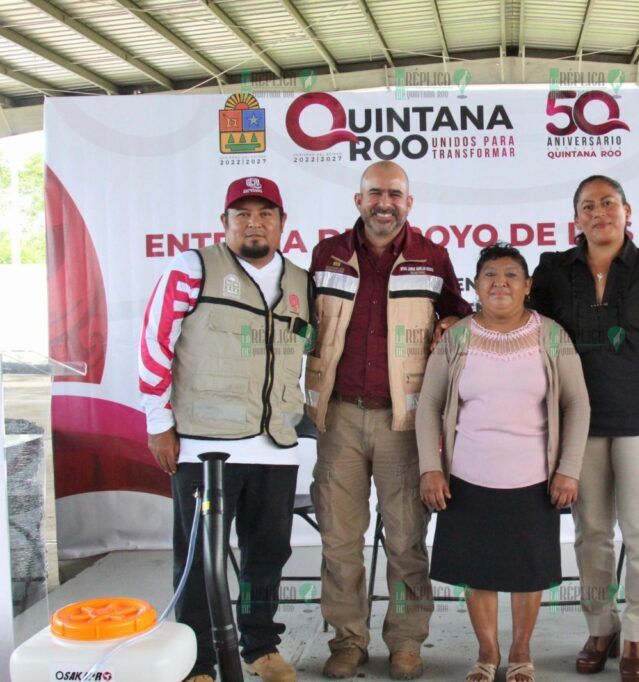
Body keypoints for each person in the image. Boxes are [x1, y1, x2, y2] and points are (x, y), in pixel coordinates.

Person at [306, 161, 472, 680]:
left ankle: (405, 641)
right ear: (358, 201)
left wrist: (448, 321)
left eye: (395, 194)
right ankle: (348, 640)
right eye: (375, 193)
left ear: (409, 203)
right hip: (338, 420)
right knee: (339, 539)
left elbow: (460, 314)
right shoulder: (326, 254)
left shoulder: (431, 255)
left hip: (405, 424)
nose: (385, 202)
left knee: (405, 540)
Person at [139, 176, 310, 682]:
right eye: (242, 214)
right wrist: (158, 423)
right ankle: (199, 659)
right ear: (225, 223)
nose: (254, 222)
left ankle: (260, 646)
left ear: (282, 223)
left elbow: (307, 351)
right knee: (200, 559)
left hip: (276, 447)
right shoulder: (191, 268)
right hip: (203, 447)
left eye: (265, 213)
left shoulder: (300, 280)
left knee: (268, 553)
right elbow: (154, 344)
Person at [531, 175, 639, 682]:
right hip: (579, 422)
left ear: (627, 210)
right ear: (575, 218)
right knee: (592, 534)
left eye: (608, 203)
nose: (598, 212)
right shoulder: (553, 270)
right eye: (587, 206)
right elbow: (528, 332)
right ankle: (601, 626)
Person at [416, 243, 590, 682]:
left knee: (528, 574)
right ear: (475, 285)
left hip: (534, 478)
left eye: (512, 274)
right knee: (480, 572)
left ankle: (520, 653)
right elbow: (429, 405)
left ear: (528, 285)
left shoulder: (552, 334)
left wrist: (569, 467)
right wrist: (430, 468)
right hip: (468, 477)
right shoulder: (456, 338)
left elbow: (578, 404)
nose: (500, 283)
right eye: (490, 274)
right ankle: (487, 655)